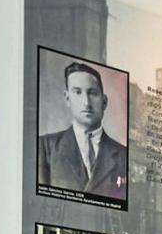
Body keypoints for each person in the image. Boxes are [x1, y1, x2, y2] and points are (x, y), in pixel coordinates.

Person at [37, 61, 127, 201]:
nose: (86, 102)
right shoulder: (44, 147)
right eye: (77, 92)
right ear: (67, 98)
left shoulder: (123, 155)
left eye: (92, 93)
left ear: (104, 102)